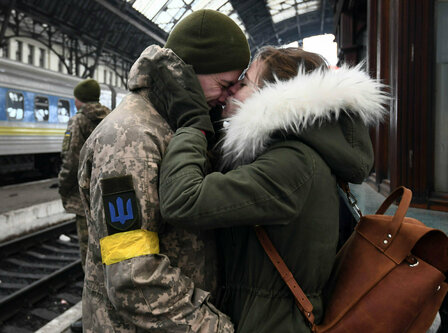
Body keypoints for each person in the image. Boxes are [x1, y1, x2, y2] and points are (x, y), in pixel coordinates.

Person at [158, 47, 388, 332]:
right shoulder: (297, 153)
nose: (232, 91)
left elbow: (183, 200)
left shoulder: (291, 164)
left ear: (273, 96)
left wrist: (193, 126)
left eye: (244, 83)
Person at [77, 9, 250, 332]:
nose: (228, 98)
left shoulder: (177, 126)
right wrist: (215, 328)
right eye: (224, 85)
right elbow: (133, 278)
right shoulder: (130, 139)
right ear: (188, 72)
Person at [58, 78, 110, 268]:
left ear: (80, 99)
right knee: (109, 247)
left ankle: (93, 292)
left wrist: (63, 185)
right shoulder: (111, 117)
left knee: (89, 249)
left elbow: (71, 160)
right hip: (108, 191)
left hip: (85, 194)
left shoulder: (78, 120)